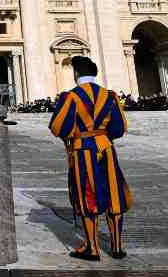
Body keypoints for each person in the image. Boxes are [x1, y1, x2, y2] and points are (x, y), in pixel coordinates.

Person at [48, 56, 132, 261]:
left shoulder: (71, 97)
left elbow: (58, 126)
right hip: (106, 148)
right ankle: (117, 247)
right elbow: (120, 128)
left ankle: (92, 248)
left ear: (76, 73)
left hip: (82, 150)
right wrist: (101, 135)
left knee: (86, 195)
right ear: (94, 74)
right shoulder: (110, 96)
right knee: (114, 193)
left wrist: (77, 135)